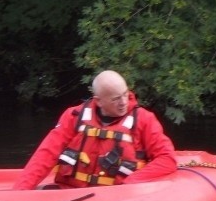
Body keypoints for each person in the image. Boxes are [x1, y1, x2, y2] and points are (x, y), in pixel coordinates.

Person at [13, 70, 176, 190]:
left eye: (125, 94)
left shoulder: (144, 119)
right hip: (70, 193)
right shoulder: (74, 116)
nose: (124, 102)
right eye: (116, 98)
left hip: (117, 198)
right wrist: (20, 191)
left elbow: (167, 159)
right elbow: (47, 153)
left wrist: (130, 183)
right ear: (98, 101)